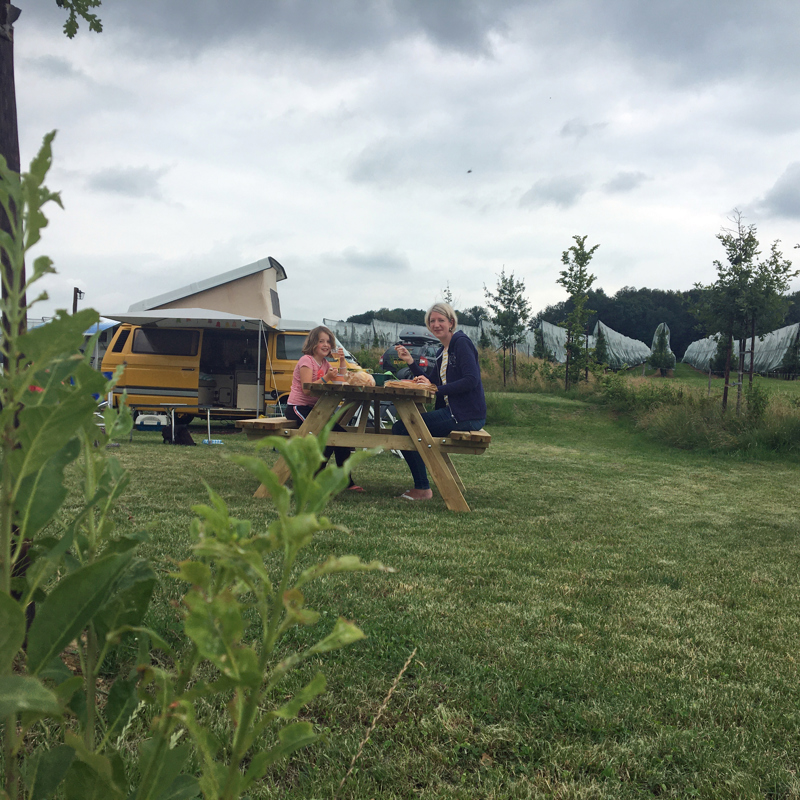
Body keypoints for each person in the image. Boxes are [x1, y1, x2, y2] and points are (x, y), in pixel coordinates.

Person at [392, 302, 486, 500]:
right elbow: (432, 381)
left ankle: (423, 489)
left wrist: (437, 390)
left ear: (451, 322)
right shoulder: (442, 351)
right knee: (404, 427)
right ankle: (423, 486)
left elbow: (471, 380)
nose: (436, 324)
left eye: (440, 320)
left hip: (465, 415)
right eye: (432, 321)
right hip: (455, 413)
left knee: (402, 428)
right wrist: (410, 361)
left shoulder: (461, 342)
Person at [286, 325, 364, 492]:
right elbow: (307, 389)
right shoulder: (306, 360)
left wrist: (342, 361)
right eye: (321, 341)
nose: (326, 344)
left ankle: (346, 481)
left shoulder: (325, 363)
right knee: (324, 435)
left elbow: (339, 381)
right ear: (313, 343)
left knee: (341, 435)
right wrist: (325, 379)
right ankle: (314, 477)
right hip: (298, 407)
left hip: (317, 410)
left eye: (328, 341)